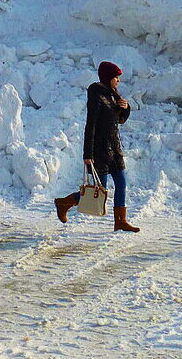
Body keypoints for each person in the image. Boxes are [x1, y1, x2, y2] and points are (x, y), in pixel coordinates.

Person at [54, 60, 140, 232]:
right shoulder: (96, 95)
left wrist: (126, 107)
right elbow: (90, 125)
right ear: (108, 77)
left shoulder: (112, 94)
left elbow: (120, 120)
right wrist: (87, 154)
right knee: (100, 190)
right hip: (100, 149)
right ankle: (64, 203)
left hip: (114, 147)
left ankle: (120, 221)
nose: (118, 81)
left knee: (122, 182)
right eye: (116, 77)